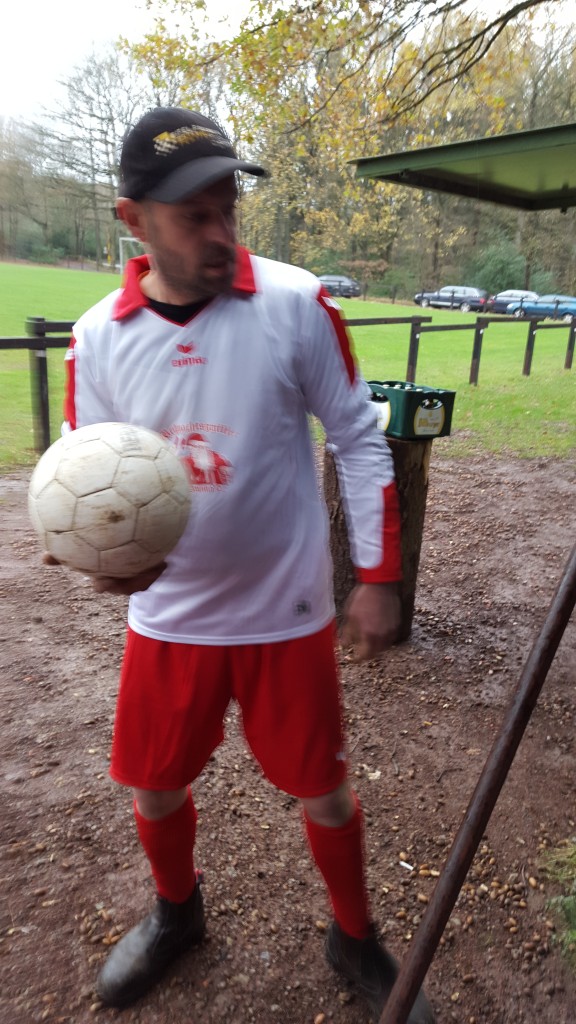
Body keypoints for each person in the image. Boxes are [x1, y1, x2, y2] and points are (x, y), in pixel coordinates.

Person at [58, 107, 435, 1023]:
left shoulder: (295, 305)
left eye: (229, 207)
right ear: (133, 220)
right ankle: (176, 913)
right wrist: (102, 557)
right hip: (170, 618)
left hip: (286, 613)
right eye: (195, 215)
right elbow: (85, 475)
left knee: (325, 791)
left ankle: (354, 936)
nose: (221, 231)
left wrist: (376, 577)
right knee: (155, 783)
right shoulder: (98, 336)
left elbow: (358, 436)